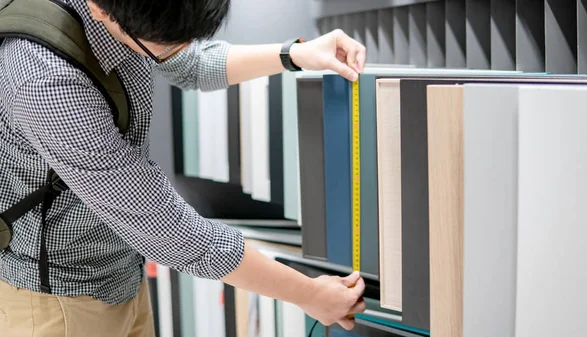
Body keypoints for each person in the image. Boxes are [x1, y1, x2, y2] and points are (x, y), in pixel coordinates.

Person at [0, 0, 368, 336]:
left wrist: (296, 54)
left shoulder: (133, 18)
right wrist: (309, 294)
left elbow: (190, 62)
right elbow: (165, 227)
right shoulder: (45, 79)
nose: (179, 49)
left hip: (121, 272)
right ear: (100, 9)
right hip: (59, 301)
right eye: (167, 43)